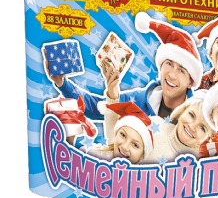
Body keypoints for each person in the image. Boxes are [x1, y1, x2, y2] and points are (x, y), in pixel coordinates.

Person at [43, 12, 203, 120]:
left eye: (181, 70)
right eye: (169, 63)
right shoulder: (140, 100)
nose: (172, 74)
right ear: (160, 67)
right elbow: (94, 107)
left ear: (191, 81)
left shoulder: (199, 115)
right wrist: (62, 84)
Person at [144, 92, 212, 163]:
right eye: (191, 115)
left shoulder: (200, 165)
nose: (192, 127)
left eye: (202, 128)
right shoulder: (152, 124)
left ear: (208, 138)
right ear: (183, 110)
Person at [88, 102, 154, 164]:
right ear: (116, 134)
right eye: (123, 135)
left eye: (135, 145)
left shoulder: (148, 170)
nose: (125, 147)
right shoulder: (93, 157)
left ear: (142, 155)